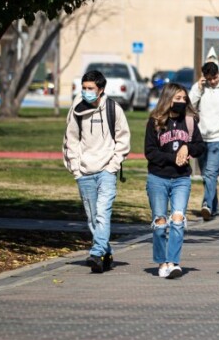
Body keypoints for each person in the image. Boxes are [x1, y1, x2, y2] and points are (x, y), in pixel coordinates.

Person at [63, 69, 131, 273]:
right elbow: (71, 139)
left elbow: (123, 139)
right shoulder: (77, 109)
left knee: (102, 213)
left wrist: (113, 166)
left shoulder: (113, 109)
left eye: (90, 88)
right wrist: (76, 168)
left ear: (100, 90)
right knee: (92, 218)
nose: (86, 92)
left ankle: (97, 251)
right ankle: (105, 254)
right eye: (84, 88)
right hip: (84, 172)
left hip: (106, 172)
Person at [144, 83, 205, 279]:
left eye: (183, 99)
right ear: (167, 98)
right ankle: (162, 262)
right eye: (177, 98)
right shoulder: (155, 121)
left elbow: (200, 146)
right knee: (160, 222)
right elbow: (150, 152)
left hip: (181, 179)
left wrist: (187, 147)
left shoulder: (189, 121)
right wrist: (173, 158)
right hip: (158, 178)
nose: (181, 102)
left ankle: (173, 262)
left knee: (178, 219)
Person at [189, 62, 219, 221]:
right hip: (201, 138)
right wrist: (198, 88)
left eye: (214, 78)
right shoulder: (199, 88)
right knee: (206, 175)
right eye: (209, 79)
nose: (212, 82)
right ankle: (214, 206)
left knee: (210, 173)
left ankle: (207, 205)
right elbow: (189, 105)